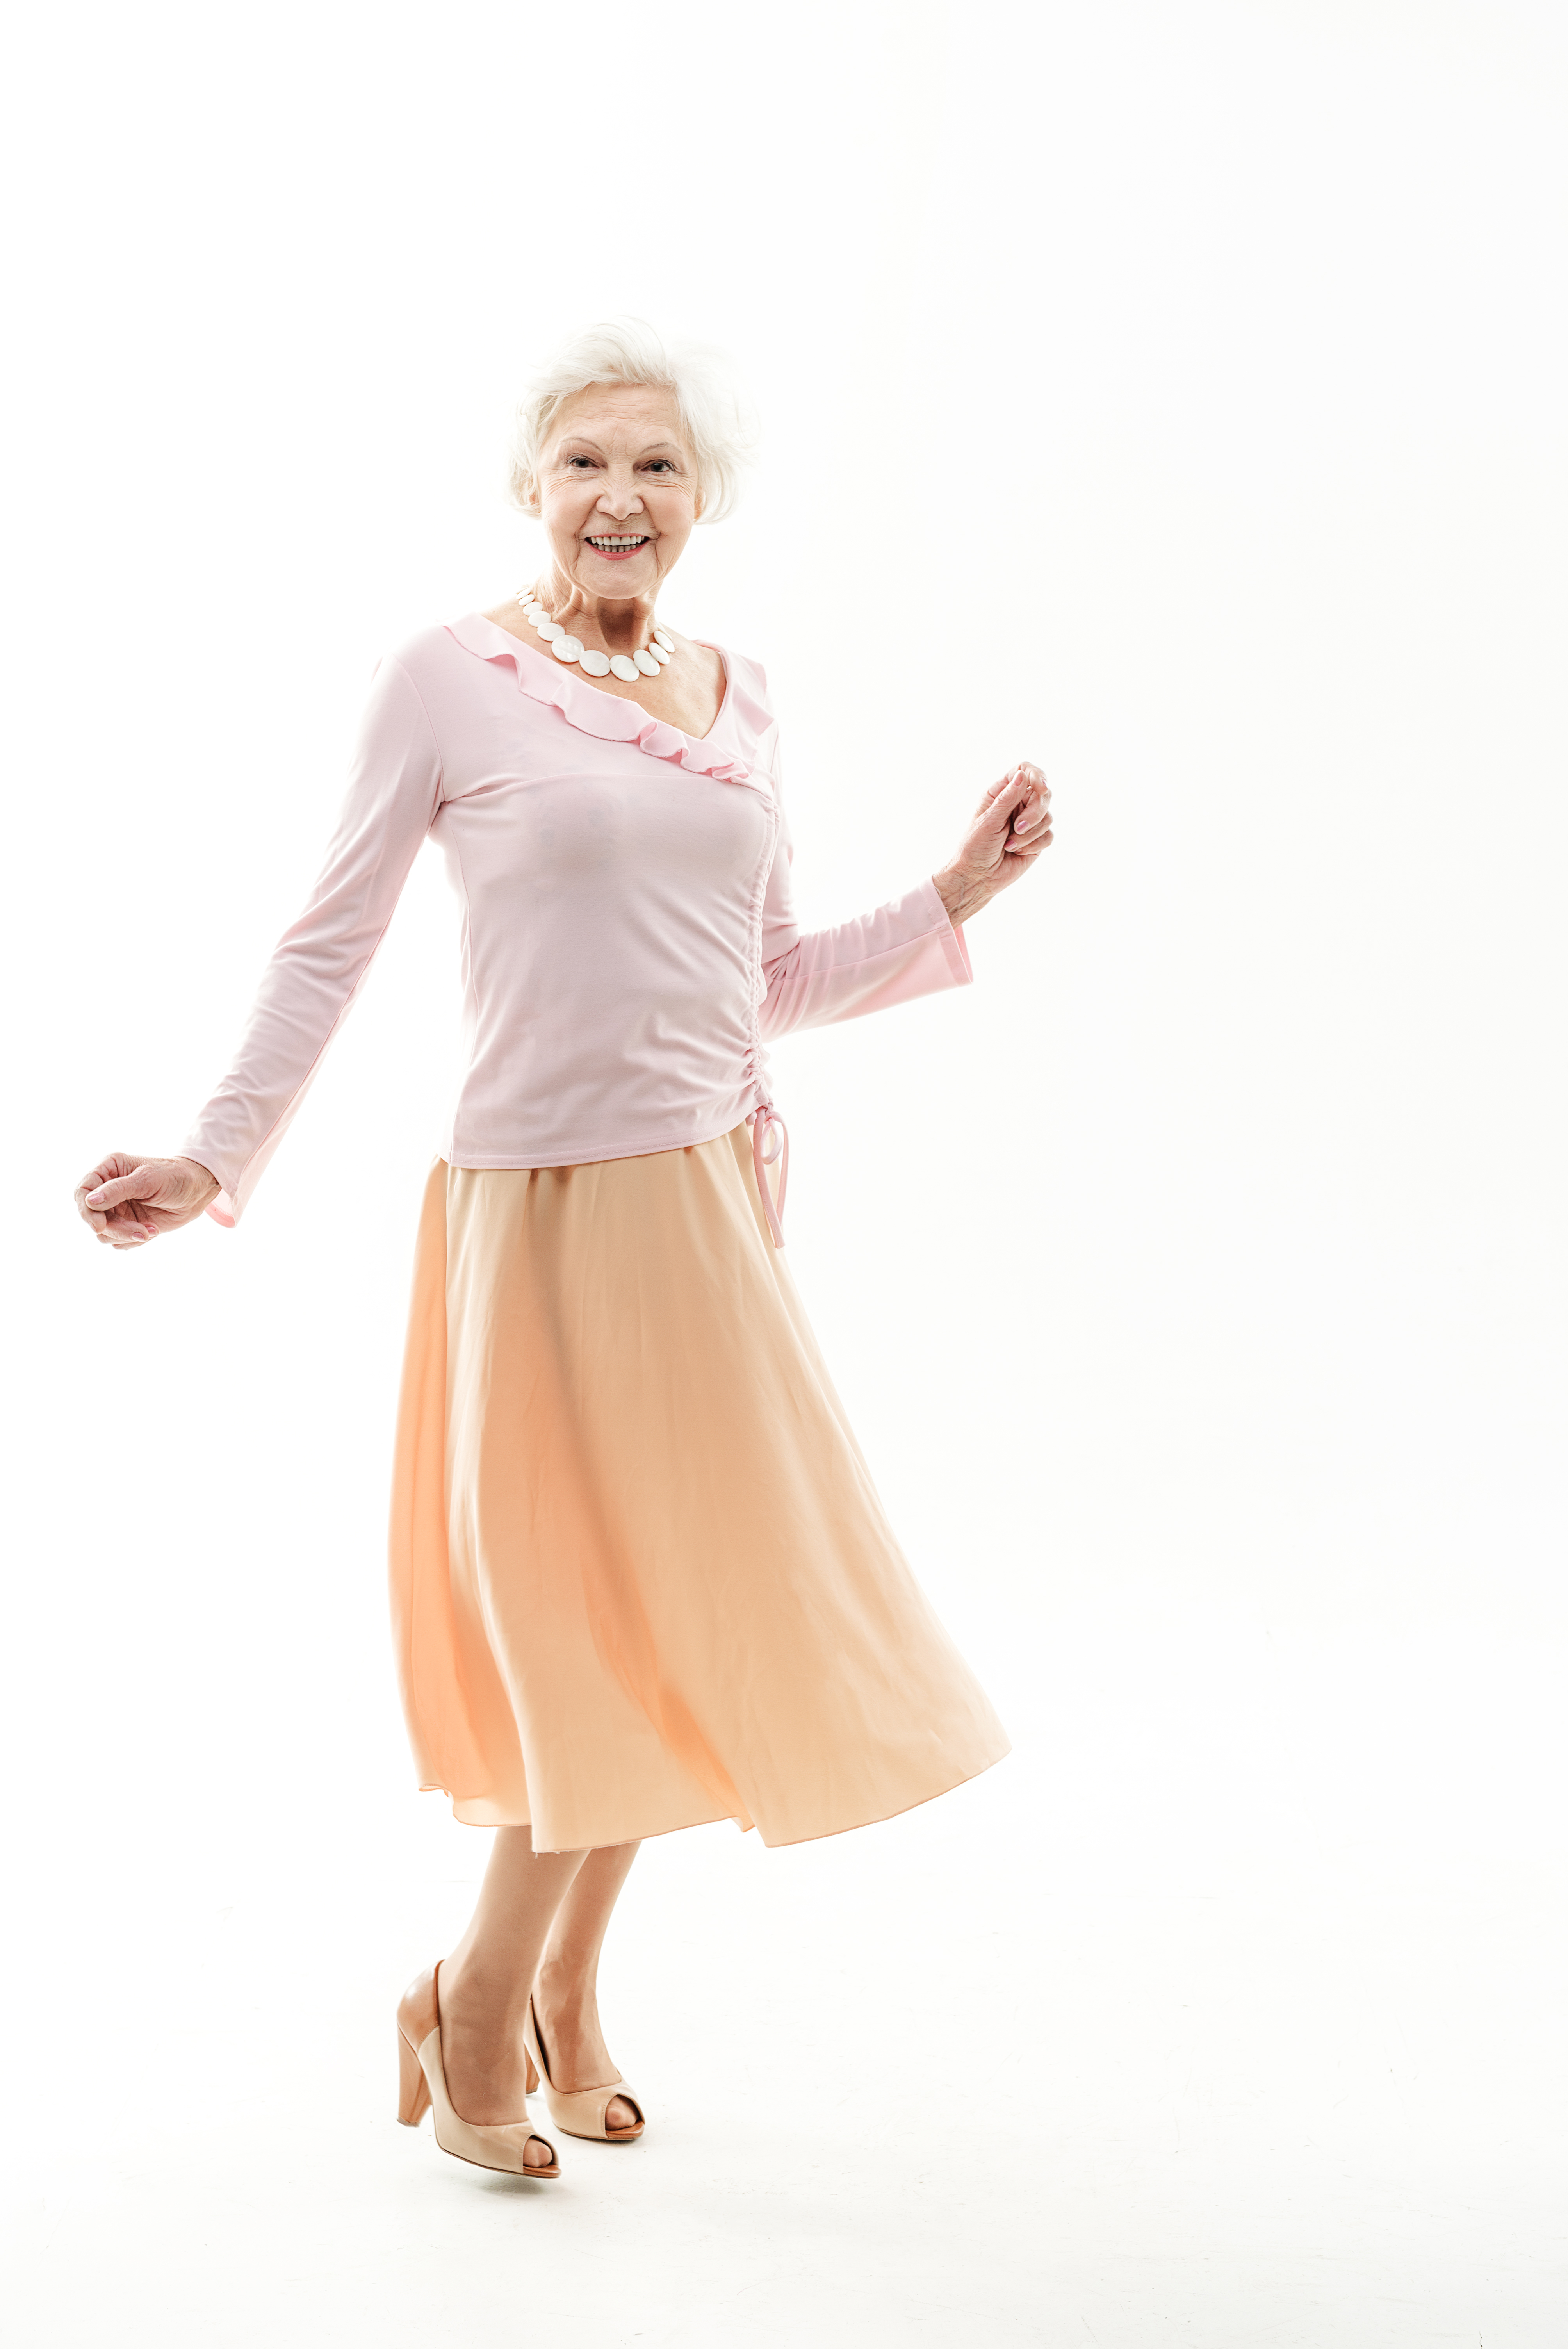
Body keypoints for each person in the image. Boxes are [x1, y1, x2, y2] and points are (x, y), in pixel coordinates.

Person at [73, 319, 1053, 2183]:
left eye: (659, 468)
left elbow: (757, 985)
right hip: (541, 1209)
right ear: (536, 488)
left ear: (701, 505)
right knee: (577, 1628)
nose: (623, 495)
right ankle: (470, 1998)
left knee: (680, 1615)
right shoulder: (449, 682)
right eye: (589, 463)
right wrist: (215, 1154)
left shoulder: (741, 692)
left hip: (708, 1197)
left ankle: (560, 2003)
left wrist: (952, 897)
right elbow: (327, 944)